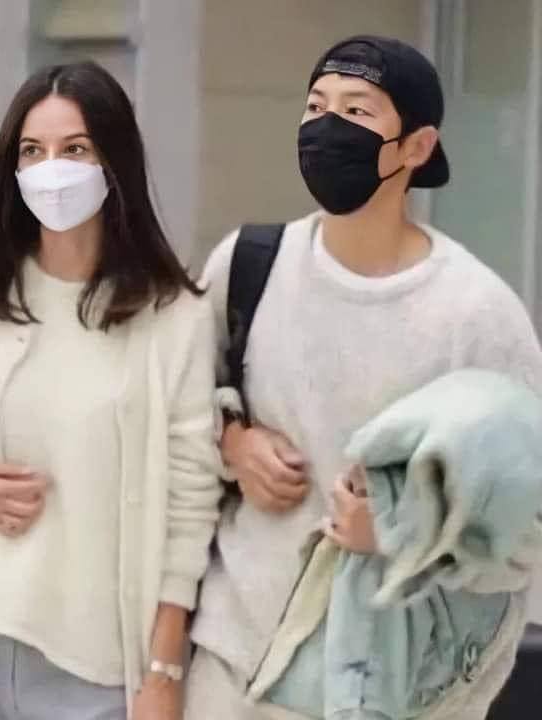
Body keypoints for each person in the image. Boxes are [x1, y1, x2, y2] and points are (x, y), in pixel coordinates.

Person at [185, 35, 542, 720]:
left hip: (392, 691)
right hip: (230, 672)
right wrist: (233, 443)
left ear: (417, 146)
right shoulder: (248, 264)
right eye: (316, 107)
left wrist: (402, 532)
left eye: (356, 110)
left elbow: (523, 532)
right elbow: (174, 414)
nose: (327, 128)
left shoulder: (476, 314)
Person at [0, 61, 221, 720]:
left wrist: (165, 668)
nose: (51, 169)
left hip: (94, 668)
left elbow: (191, 502)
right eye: (33, 151)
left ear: (114, 162)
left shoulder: (174, 316)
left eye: (75, 149)